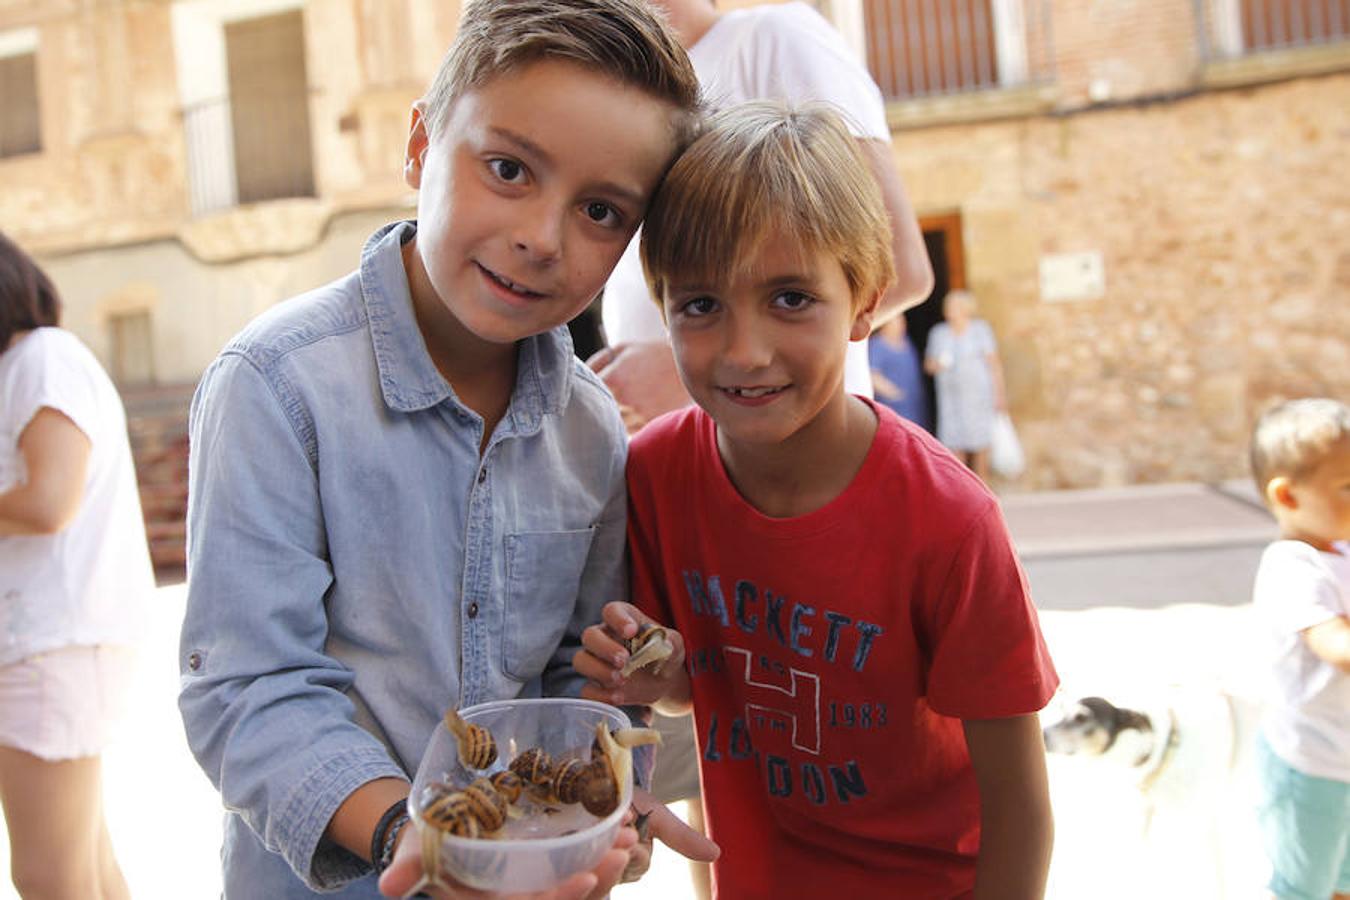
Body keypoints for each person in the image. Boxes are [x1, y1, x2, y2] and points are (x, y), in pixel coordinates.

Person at [177, 3, 716, 898]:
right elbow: (247, 687)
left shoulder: (589, 427)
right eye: (508, 169)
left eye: (599, 210)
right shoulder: (277, 386)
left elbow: (564, 679)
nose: (543, 238)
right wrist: (424, 839)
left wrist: (598, 786)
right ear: (422, 145)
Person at [575, 102, 1058, 898]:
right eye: (700, 305)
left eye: (790, 297)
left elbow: (1020, 805)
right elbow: (690, 689)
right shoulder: (655, 473)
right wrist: (641, 668)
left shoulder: (950, 521)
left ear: (865, 299)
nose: (744, 351)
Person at [591, 0, 934, 433]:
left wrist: (681, 372)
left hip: (796, 466)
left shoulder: (773, 37)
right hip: (679, 465)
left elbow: (898, 265)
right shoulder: (623, 95)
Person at [0, 232, 154, 898]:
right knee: (87, 867)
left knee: (47, 876)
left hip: (53, 646)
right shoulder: (26, 366)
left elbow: (49, 501)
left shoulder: (43, 357)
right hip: (48, 645)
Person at [1249, 398, 1350, 900]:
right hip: (1308, 765)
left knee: (1341, 881)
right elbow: (1335, 645)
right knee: (1301, 889)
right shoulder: (1293, 566)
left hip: (1343, 757)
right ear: (1287, 496)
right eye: (1347, 487)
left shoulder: (1343, 548)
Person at [924, 289, 1006, 483]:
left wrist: (1000, 394)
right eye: (948, 306)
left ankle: (983, 487)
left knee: (981, 443)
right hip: (951, 399)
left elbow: (993, 364)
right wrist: (939, 364)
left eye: (954, 306)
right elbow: (928, 366)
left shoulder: (980, 330)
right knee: (954, 445)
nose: (949, 310)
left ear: (965, 309)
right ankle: (961, 490)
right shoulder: (939, 333)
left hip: (978, 396)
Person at [869, 313, 931, 432]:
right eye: (896, 322)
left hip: (914, 407)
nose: (902, 326)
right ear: (885, 324)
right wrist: (893, 393)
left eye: (902, 322)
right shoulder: (878, 345)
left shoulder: (907, 342)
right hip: (893, 408)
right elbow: (873, 375)